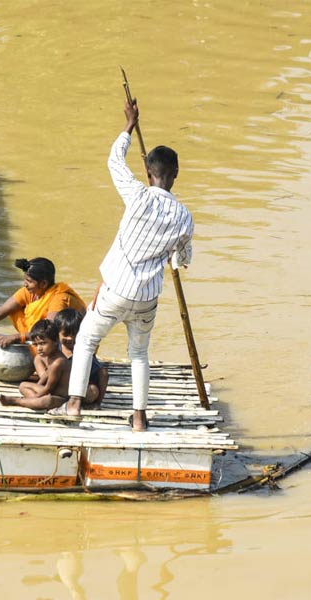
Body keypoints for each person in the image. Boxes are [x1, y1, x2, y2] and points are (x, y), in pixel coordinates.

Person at [66, 98, 193, 431]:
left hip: (115, 290)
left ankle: (74, 404)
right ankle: (139, 418)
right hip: (147, 297)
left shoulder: (137, 195)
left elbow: (113, 161)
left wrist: (128, 125)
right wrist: (171, 251)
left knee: (86, 340)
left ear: (149, 172)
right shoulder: (184, 217)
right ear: (176, 174)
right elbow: (181, 261)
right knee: (139, 353)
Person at [0, 257, 86, 348]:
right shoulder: (29, 292)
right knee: (14, 310)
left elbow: (49, 330)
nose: (25, 284)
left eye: (29, 281)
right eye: (25, 280)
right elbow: (1, 312)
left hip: (69, 344)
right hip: (43, 338)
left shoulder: (59, 298)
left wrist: (16, 337)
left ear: (43, 283)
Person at [0, 319, 70, 410]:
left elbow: (48, 389)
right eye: (35, 345)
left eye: (43, 343)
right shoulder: (50, 356)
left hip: (61, 398)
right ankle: (32, 402)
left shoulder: (58, 362)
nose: (39, 348)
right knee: (23, 385)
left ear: (55, 341)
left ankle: (16, 401)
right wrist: (37, 389)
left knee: (46, 401)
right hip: (48, 391)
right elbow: (45, 377)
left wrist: (35, 396)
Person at [53, 308, 108, 409]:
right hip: (59, 388)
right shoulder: (54, 348)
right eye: (65, 335)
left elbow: (101, 372)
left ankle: (95, 404)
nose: (70, 338)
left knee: (95, 388)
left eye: (74, 335)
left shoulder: (84, 350)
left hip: (81, 390)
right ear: (57, 334)